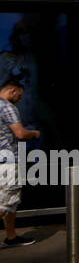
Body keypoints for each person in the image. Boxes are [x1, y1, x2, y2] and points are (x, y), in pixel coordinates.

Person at [0, 79, 38, 247]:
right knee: (6, 202)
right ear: (13, 90)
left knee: (10, 202)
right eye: (19, 96)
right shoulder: (8, 107)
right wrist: (34, 133)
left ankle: (11, 237)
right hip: (7, 161)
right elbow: (20, 133)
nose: (19, 99)